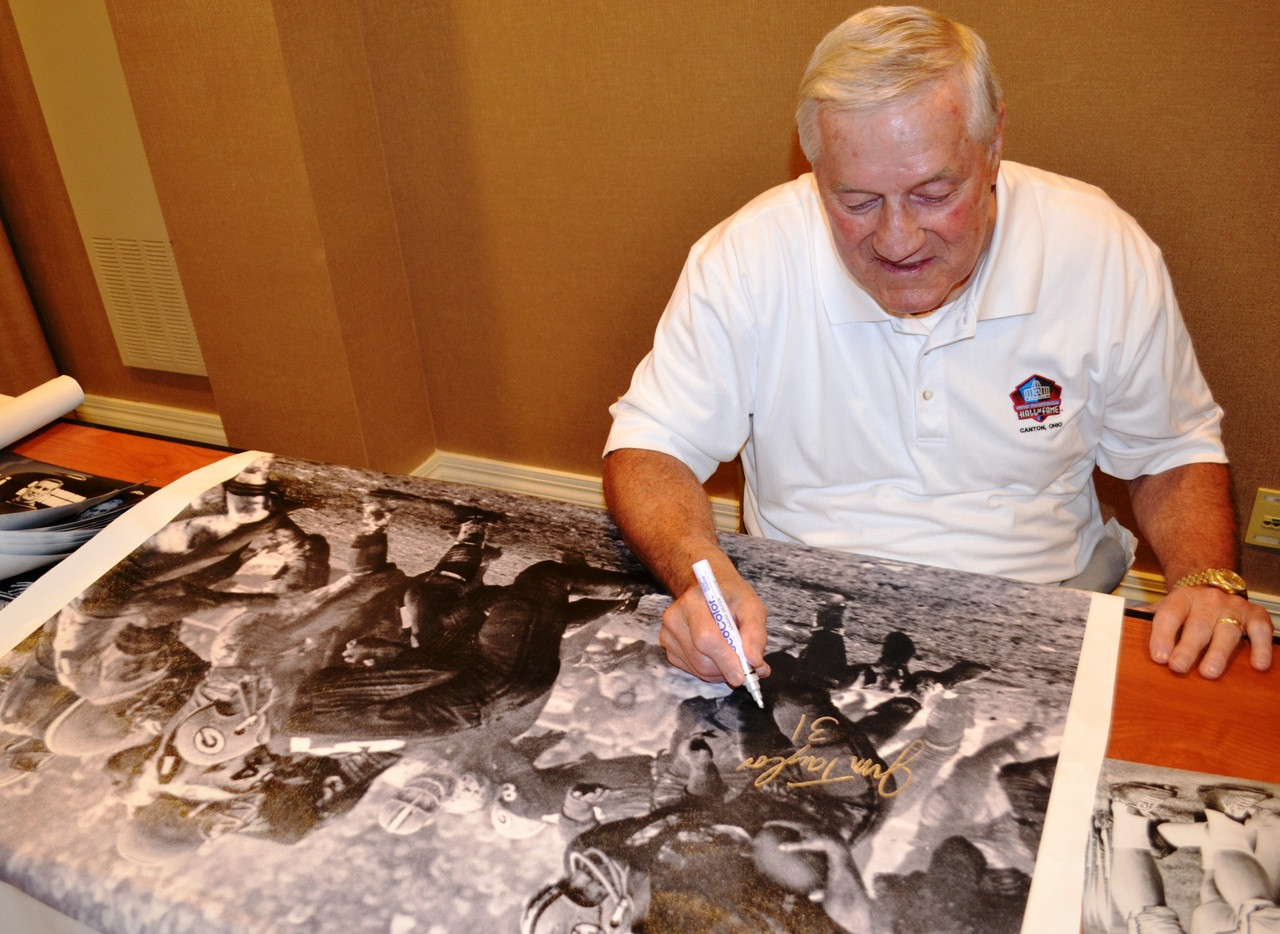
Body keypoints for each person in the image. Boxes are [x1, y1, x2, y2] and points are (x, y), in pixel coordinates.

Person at [602, 5, 1272, 688]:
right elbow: (651, 445)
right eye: (857, 201)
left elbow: (1170, 451)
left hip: (1043, 609)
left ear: (993, 144)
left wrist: (1208, 580)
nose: (897, 240)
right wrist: (704, 581)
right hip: (800, 621)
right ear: (814, 166)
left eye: (933, 193)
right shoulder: (747, 256)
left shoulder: (1098, 247)